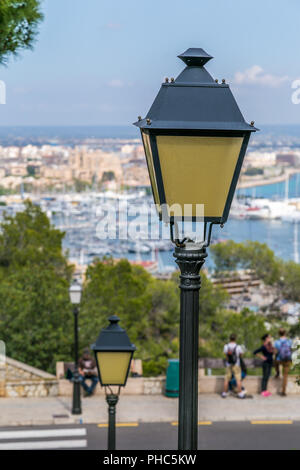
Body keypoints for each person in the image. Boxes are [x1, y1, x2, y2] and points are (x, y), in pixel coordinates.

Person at [222, 334, 245, 399]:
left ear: (229, 338)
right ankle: (240, 393)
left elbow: (225, 355)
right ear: (235, 339)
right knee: (238, 379)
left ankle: (224, 393)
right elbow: (241, 355)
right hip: (236, 364)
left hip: (228, 364)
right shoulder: (238, 346)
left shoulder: (226, 346)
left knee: (226, 379)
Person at [274, 328, 292, 397]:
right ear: (285, 333)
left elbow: (275, 352)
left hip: (279, 360)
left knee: (275, 361)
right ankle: (283, 391)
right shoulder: (289, 341)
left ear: (279, 334)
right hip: (287, 360)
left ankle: (277, 372)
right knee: (285, 376)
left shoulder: (277, 342)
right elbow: (291, 349)